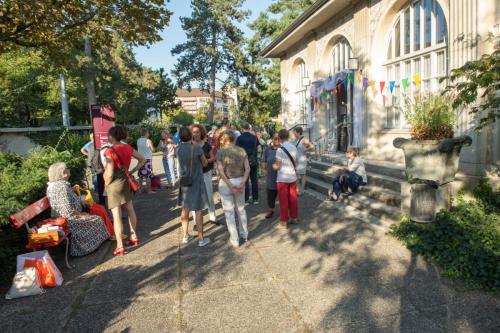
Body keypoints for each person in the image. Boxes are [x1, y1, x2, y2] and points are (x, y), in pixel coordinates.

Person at [46, 162, 109, 256]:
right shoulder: (60, 187)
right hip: (68, 220)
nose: (69, 169)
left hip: (67, 216)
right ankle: (86, 248)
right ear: (63, 173)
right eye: (67, 168)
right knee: (97, 219)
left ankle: (94, 244)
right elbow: (66, 210)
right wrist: (81, 215)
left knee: (97, 211)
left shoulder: (58, 185)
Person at [104, 125, 146, 256]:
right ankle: (134, 236)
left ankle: (120, 246)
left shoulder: (109, 151)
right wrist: (132, 171)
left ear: (112, 136)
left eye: (109, 135)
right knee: (130, 210)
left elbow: (109, 173)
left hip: (114, 185)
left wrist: (106, 185)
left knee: (116, 216)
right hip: (126, 182)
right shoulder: (127, 147)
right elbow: (143, 159)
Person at [177, 126, 211, 247]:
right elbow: (205, 162)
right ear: (191, 135)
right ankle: (201, 238)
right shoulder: (196, 148)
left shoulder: (178, 148)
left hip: (184, 182)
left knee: (185, 209)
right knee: (198, 209)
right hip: (196, 181)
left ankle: (185, 236)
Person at [216, 130, 250, 247]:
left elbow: (220, 171)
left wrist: (230, 185)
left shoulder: (220, 152)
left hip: (226, 183)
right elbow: (248, 169)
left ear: (224, 139)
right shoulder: (241, 150)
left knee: (229, 212)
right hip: (239, 180)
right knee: (241, 209)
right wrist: (243, 183)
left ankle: (235, 239)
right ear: (234, 138)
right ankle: (244, 234)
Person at [191, 124, 219, 225]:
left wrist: (206, 161)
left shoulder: (206, 145)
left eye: (197, 132)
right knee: (195, 198)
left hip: (206, 173)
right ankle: (196, 221)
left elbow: (213, 158)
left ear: (201, 132)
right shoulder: (190, 145)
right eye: (194, 132)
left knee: (209, 195)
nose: (196, 134)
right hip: (194, 175)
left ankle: (212, 217)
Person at [273, 129, 299, 228]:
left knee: (283, 200)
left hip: (283, 178)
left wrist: (273, 166)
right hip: (292, 177)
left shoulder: (280, 150)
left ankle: (284, 222)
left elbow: (278, 166)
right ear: (288, 136)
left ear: (279, 138)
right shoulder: (294, 147)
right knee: (293, 199)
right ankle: (294, 218)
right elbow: (296, 163)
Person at [236, 121, 259, 204]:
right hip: (253, 160)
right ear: (249, 128)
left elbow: (237, 151)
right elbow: (259, 149)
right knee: (254, 180)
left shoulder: (239, 138)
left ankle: (245, 199)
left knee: (245, 180)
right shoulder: (254, 137)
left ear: (242, 128)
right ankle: (255, 199)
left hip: (243, 161)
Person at [81, 132, 105, 205]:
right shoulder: (99, 144)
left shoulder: (91, 145)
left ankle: (99, 199)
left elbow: (90, 157)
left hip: (95, 166)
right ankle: (101, 200)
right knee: (100, 183)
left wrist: (88, 163)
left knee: (96, 182)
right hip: (100, 166)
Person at [262, 133, 280, 219]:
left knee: (282, 195)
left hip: (281, 176)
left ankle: (284, 212)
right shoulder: (267, 150)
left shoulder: (283, 149)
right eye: (275, 138)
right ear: (272, 140)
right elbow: (264, 160)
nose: (277, 140)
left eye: (279, 138)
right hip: (270, 176)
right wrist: (264, 169)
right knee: (270, 194)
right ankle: (271, 210)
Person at [292, 127, 314, 196]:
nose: (293, 133)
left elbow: (312, 146)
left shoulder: (304, 139)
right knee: (296, 175)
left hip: (302, 160)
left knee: (302, 175)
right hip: (296, 160)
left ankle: (301, 190)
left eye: (294, 132)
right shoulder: (295, 139)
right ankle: (298, 189)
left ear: (298, 132)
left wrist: (306, 150)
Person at [136, 129, 155, 194]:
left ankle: (140, 190)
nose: (148, 134)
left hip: (140, 159)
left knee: (141, 176)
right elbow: (153, 150)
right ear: (146, 133)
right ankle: (149, 190)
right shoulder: (148, 140)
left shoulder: (138, 140)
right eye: (148, 133)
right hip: (147, 159)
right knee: (148, 176)